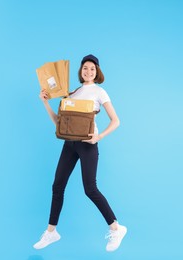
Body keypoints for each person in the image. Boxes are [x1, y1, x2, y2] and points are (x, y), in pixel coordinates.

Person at [33, 54, 127, 252]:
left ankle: (116, 228)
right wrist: (45, 103)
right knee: (57, 186)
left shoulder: (100, 92)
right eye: (85, 68)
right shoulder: (72, 93)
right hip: (69, 144)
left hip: (87, 145)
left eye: (92, 68)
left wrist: (98, 137)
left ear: (97, 72)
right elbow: (60, 124)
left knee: (90, 189)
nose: (88, 71)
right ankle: (51, 232)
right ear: (80, 70)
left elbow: (116, 121)